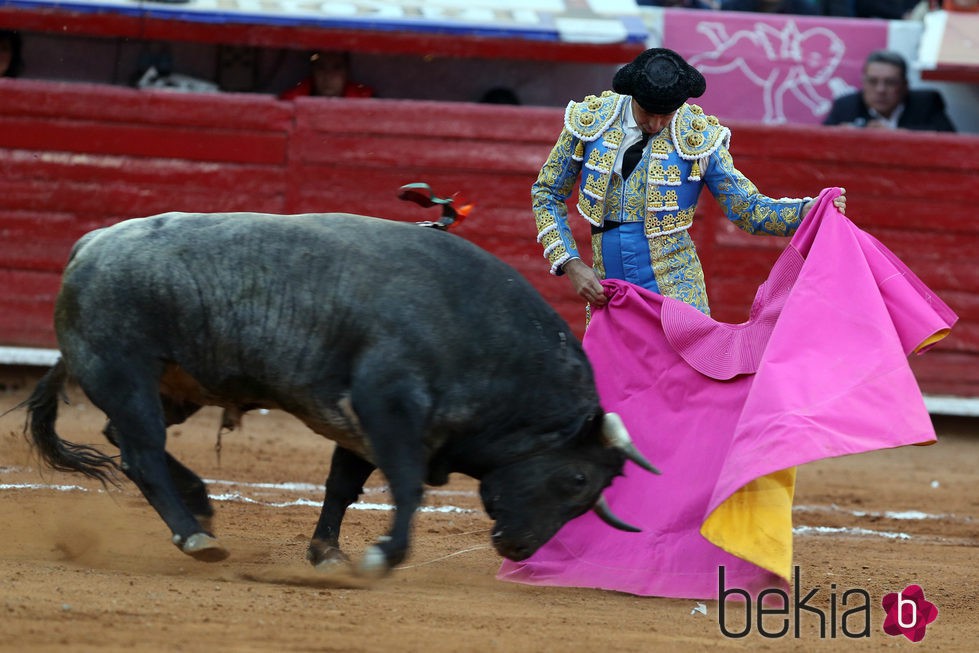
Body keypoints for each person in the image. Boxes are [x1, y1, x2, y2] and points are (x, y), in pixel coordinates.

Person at [531, 47, 844, 316]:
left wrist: (806, 211)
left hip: (675, 285)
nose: (655, 124)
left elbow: (747, 209)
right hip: (607, 286)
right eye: (647, 113)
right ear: (631, 96)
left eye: (666, 115)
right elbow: (546, 192)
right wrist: (570, 262)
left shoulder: (699, 137)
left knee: (684, 381)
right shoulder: (590, 121)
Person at [823, 50, 956, 132]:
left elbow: (950, 141)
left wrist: (894, 134)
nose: (880, 90)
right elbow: (820, 141)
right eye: (873, 81)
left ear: (905, 85)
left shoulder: (926, 103)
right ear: (863, 82)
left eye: (890, 83)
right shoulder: (845, 106)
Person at [279, 50, 373, 100]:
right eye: (321, 68)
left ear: (347, 72)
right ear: (313, 71)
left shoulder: (367, 101)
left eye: (337, 68)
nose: (328, 76)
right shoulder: (291, 101)